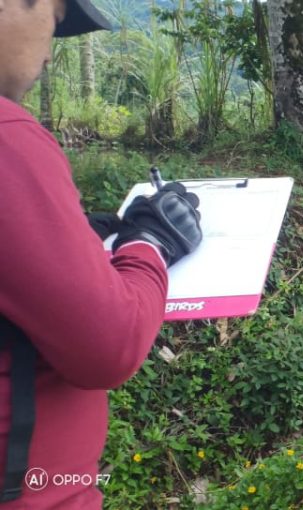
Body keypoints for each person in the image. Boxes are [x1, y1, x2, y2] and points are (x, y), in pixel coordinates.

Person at [0, 0, 204, 506]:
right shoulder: (8, 140)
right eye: (55, 20)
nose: (50, 54)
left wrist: (72, 236)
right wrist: (152, 244)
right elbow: (109, 346)